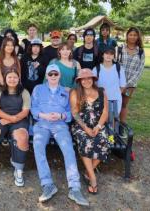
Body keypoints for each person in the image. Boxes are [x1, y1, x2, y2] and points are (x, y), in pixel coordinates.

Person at [31, 64, 89, 206]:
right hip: (42, 124)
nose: (53, 77)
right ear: (46, 75)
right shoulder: (38, 89)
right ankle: (47, 185)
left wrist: (61, 115)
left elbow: (71, 113)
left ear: (59, 76)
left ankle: (74, 188)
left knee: (68, 149)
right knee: (38, 147)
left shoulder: (66, 91)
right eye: (50, 74)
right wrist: (43, 115)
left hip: (60, 125)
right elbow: (33, 108)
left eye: (55, 74)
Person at [0, 70, 31, 187]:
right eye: (10, 77)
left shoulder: (24, 92)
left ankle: (18, 169)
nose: (12, 80)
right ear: (5, 78)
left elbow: (25, 112)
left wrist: (12, 120)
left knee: (22, 137)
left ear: (19, 79)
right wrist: (9, 118)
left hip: (19, 120)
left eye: (15, 77)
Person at [70, 68, 109, 195]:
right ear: (79, 81)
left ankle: (88, 172)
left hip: (98, 125)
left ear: (93, 79)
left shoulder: (101, 92)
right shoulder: (75, 92)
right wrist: (86, 128)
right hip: (81, 126)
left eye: (89, 78)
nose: (86, 81)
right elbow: (75, 113)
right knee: (86, 141)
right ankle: (93, 178)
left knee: (104, 141)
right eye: (83, 79)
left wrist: (98, 126)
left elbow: (105, 112)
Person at [92, 47, 126, 131]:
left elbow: (122, 85)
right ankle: (104, 139)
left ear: (114, 56)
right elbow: (93, 86)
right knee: (103, 120)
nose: (109, 56)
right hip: (101, 100)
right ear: (103, 55)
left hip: (115, 100)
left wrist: (116, 94)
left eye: (111, 54)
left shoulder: (118, 68)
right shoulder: (96, 69)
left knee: (114, 120)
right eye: (106, 53)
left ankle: (113, 139)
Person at [117, 27, 145, 123]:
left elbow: (140, 70)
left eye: (135, 35)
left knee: (124, 104)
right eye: (131, 35)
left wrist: (128, 84)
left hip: (130, 87)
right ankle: (113, 125)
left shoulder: (140, 52)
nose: (132, 37)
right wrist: (121, 84)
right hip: (117, 84)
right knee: (115, 103)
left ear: (138, 37)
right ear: (127, 36)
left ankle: (122, 125)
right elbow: (114, 65)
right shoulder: (120, 48)